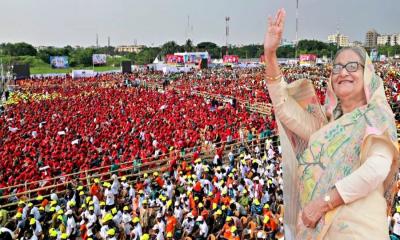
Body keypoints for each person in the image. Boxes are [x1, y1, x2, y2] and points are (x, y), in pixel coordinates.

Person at [264, 8, 399, 239]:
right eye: (337, 67)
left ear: (368, 75)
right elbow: (285, 108)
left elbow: (376, 169)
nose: (343, 72)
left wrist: (323, 203)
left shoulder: (375, 114)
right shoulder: (326, 129)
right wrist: (270, 54)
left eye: (353, 66)